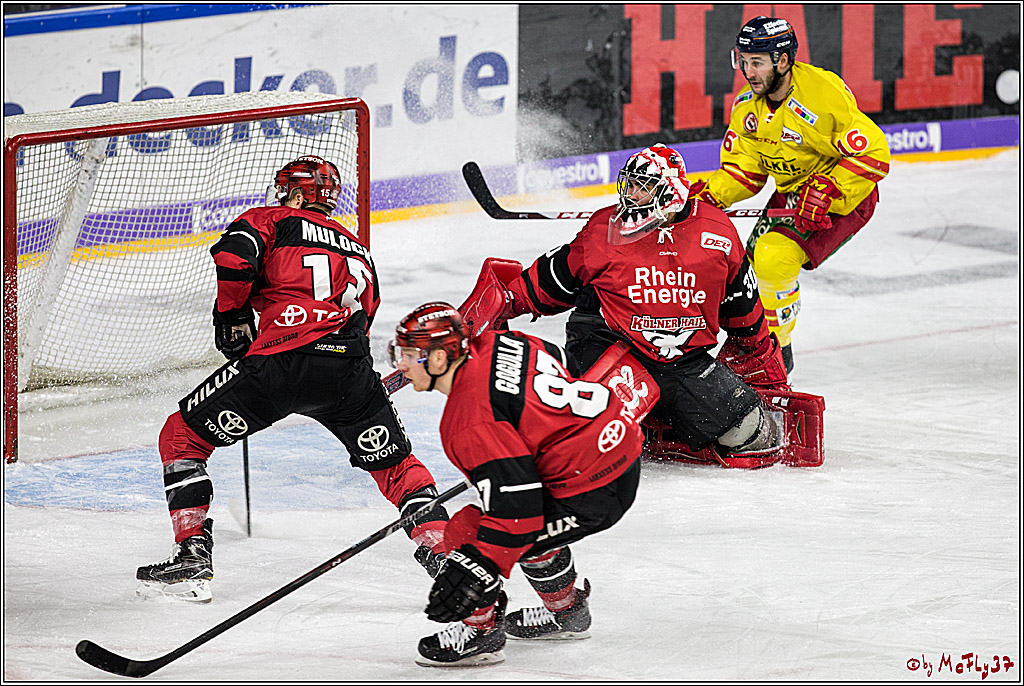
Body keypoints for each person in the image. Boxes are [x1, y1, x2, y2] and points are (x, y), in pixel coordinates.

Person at [135, 155, 449, 603]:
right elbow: (367, 313)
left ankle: (192, 553)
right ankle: (445, 555)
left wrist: (232, 317)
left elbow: (233, 256)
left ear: (296, 194)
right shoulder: (359, 250)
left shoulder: (271, 220)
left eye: (286, 190)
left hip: (280, 364)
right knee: (397, 467)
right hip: (349, 374)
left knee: (181, 437)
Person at [491, 143, 790, 468]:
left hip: (683, 363)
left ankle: (662, 433)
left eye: (642, 187)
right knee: (582, 440)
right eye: (629, 184)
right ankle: (636, 426)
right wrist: (508, 300)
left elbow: (741, 303)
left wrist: (760, 352)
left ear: (670, 193)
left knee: (751, 433)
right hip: (610, 348)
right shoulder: (604, 229)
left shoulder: (716, 232)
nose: (630, 195)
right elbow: (554, 278)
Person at [389, 302, 651, 666]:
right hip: (620, 445)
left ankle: (481, 635)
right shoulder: (504, 341)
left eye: (407, 355)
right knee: (522, 522)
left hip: (592, 488)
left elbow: (517, 514)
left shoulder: (468, 421)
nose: (400, 365)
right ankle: (567, 613)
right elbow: (565, 362)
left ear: (437, 359)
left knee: (470, 533)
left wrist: (473, 570)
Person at [689, 15, 891, 373]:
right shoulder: (748, 108)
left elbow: (873, 154)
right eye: (743, 61)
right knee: (745, 268)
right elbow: (744, 173)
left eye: (757, 62)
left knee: (773, 256)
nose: (748, 72)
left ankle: (774, 356)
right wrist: (706, 198)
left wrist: (831, 189)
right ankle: (755, 343)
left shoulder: (821, 94)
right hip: (793, 195)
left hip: (845, 197)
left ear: (782, 60)